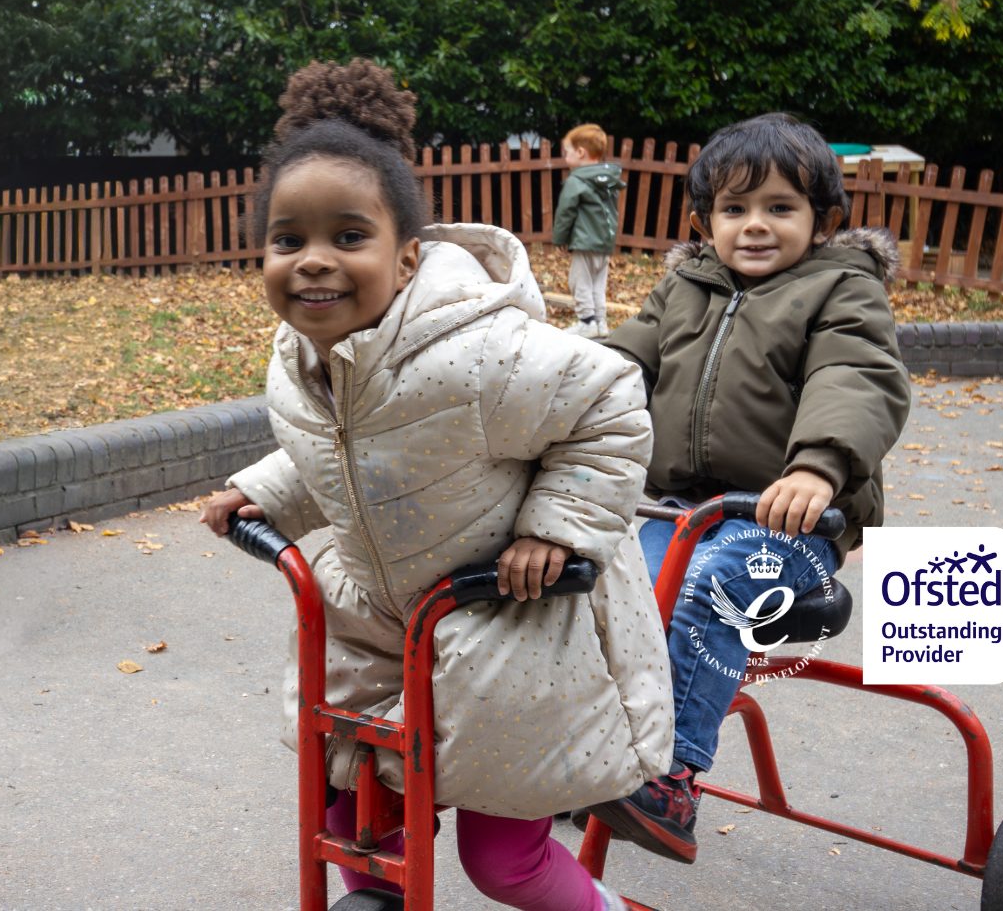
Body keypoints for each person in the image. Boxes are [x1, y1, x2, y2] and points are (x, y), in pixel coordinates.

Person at [198, 59, 673, 911]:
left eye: (348, 238)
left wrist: (556, 529)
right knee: (353, 824)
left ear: (408, 255)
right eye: (287, 240)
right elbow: (347, 450)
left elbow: (607, 398)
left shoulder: (477, 354)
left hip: (511, 627)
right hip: (379, 627)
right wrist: (267, 492)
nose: (313, 263)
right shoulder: (298, 359)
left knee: (504, 861)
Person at [587, 112, 910, 865]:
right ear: (703, 224)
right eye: (734, 210)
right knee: (602, 586)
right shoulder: (685, 287)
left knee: (710, 587)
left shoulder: (843, 289)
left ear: (824, 220)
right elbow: (616, 366)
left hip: (792, 524)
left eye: (779, 208)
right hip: (683, 507)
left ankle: (669, 777)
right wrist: (548, 402)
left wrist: (817, 466)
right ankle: (595, 751)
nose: (755, 226)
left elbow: (855, 376)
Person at [551, 125, 626, 338]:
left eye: (567, 152)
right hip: (604, 242)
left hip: (585, 242)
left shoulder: (577, 180)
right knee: (597, 284)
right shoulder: (608, 180)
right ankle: (600, 323)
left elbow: (566, 211)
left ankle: (586, 322)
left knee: (579, 281)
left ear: (581, 152)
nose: (565, 157)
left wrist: (560, 239)